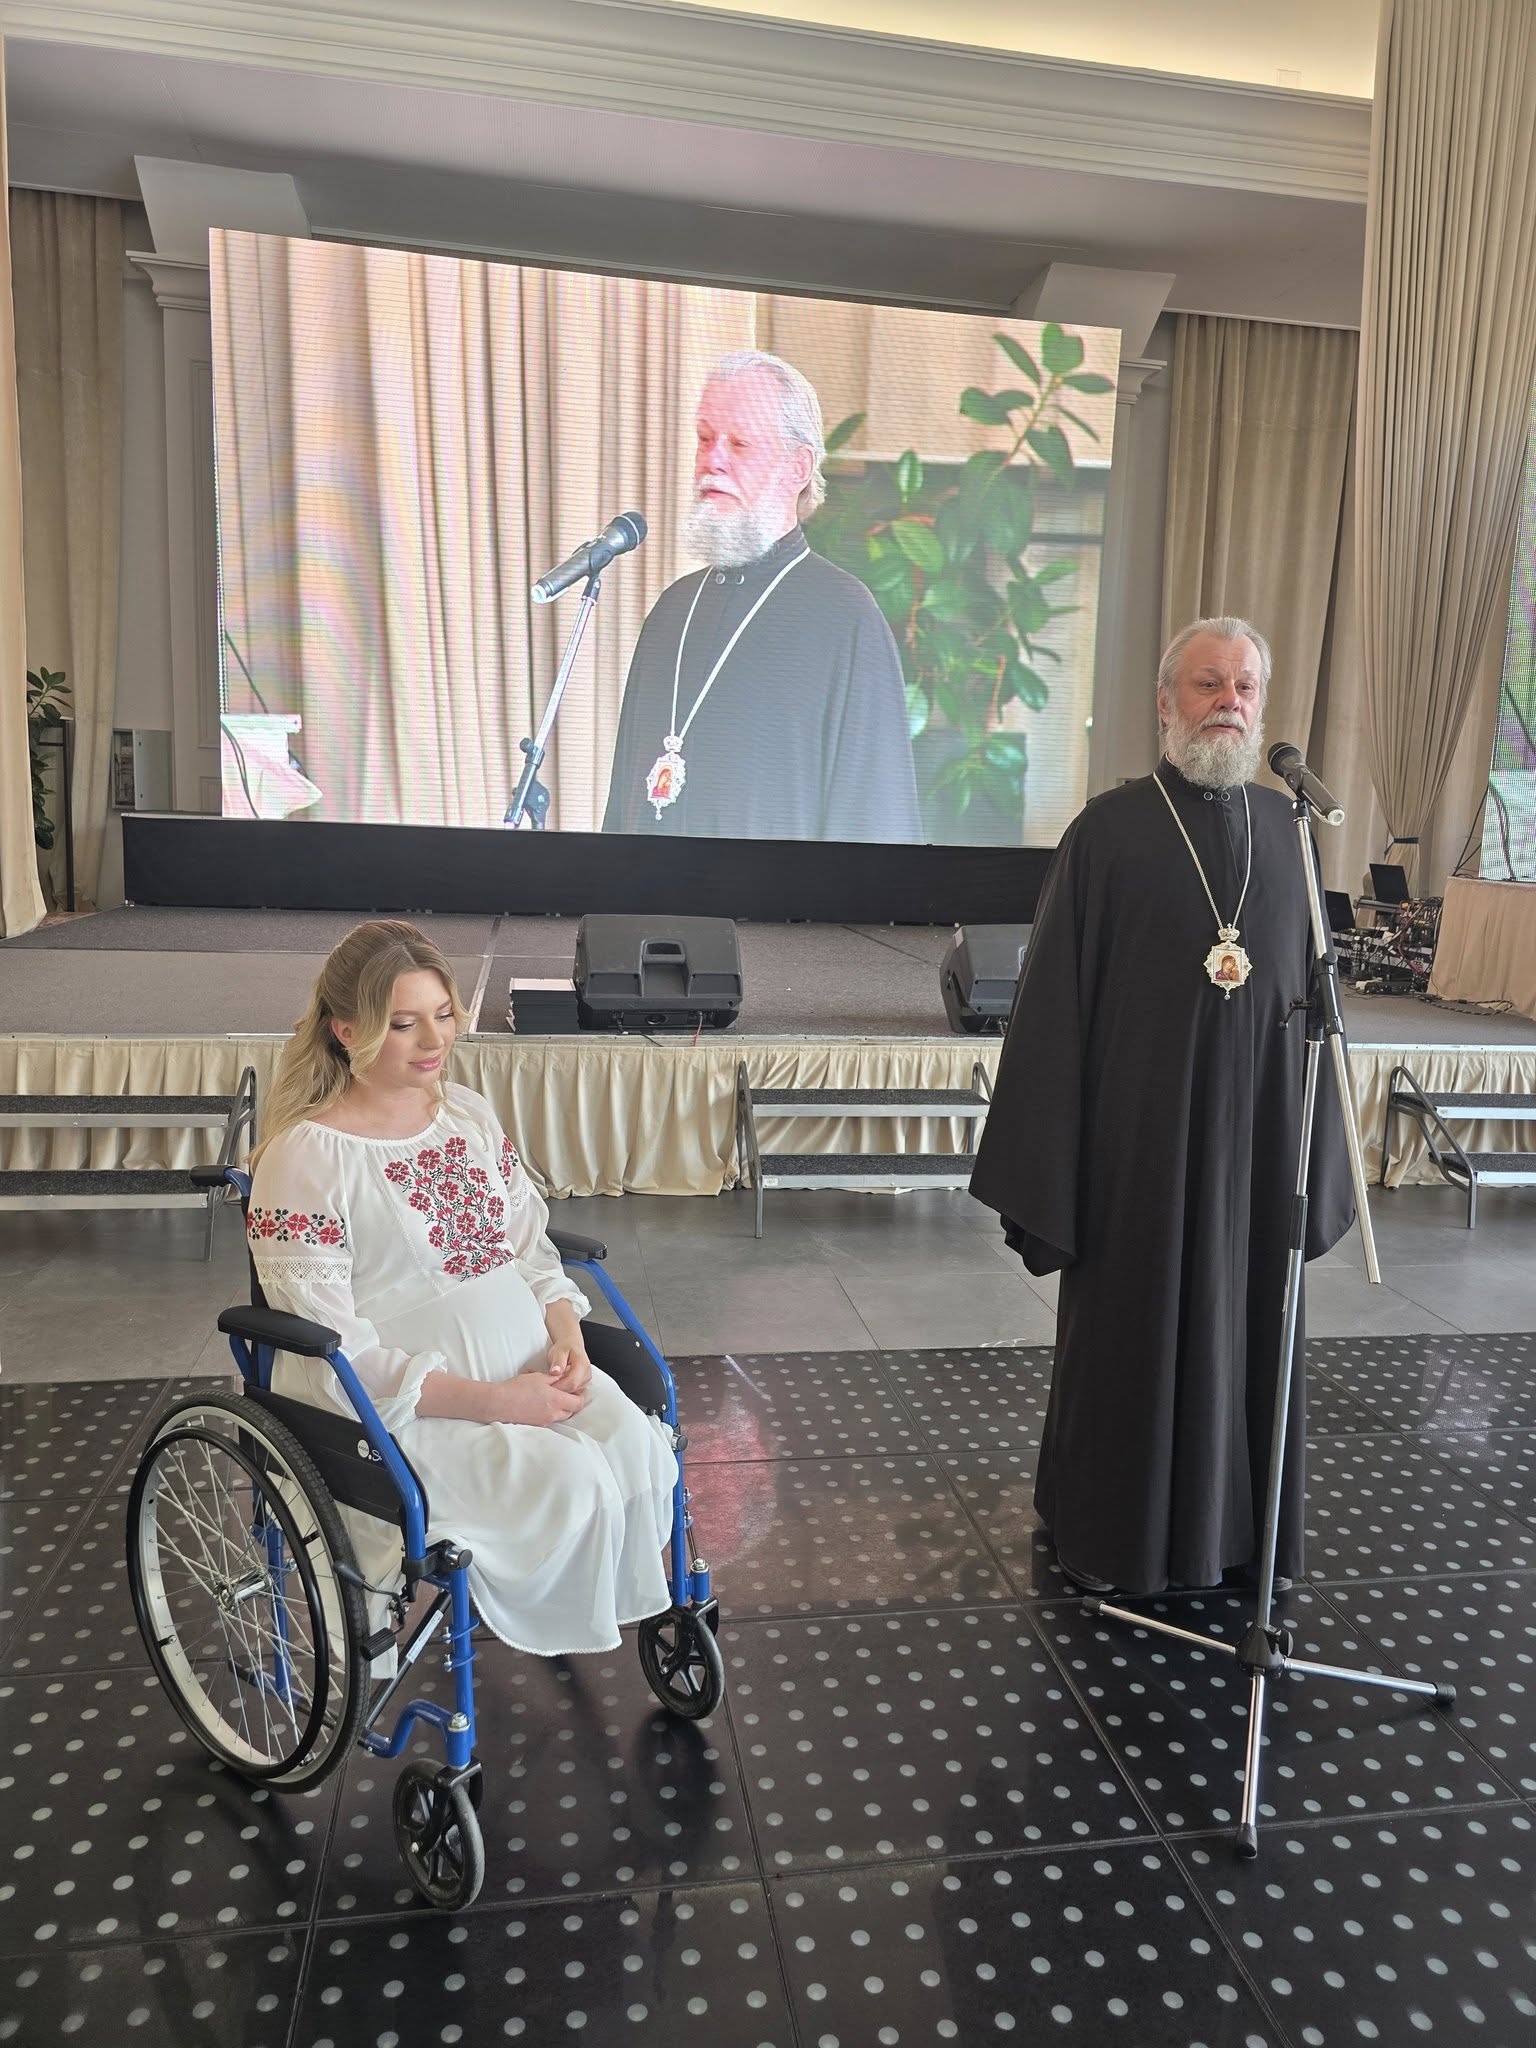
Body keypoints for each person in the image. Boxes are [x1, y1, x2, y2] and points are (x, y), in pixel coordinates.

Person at [969, 616, 1354, 1597]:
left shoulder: (1289, 835)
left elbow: (1312, 1009)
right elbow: (1053, 1008)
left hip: (1256, 1153)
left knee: (1249, 1336)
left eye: (1245, 687)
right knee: (1130, 1339)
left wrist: (1315, 1157)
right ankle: (1116, 1533)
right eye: (1208, 683)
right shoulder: (1108, 832)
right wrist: (1053, 1170)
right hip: (1136, 1156)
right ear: (1164, 702)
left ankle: (1241, 1537)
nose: (1230, 702)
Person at [246, 920, 678, 1655]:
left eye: (444, 1015)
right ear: (346, 1030)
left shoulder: (466, 1115)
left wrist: (565, 1334)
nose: (434, 1040)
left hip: (531, 1369)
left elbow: (528, 1244)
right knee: (573, 1483)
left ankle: (591, 1609)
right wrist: (496, 1403)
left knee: (635, 1450)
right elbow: (336, 1351)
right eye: (404, 1024)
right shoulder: (306, 1160)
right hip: (409, 1412)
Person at [601, 349, 923, 842]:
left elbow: (875, 829)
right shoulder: (672, 611)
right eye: (704, 439)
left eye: (740, 443)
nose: (712, 461)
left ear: (797, 468)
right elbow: (622, 809)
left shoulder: (844, 619)